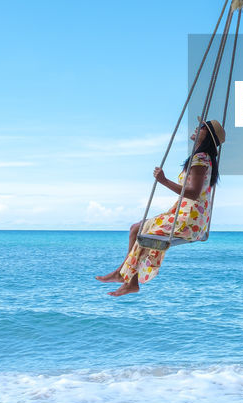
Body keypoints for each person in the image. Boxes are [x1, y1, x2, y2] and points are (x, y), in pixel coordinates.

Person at [95, 120, 224, 297]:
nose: (196, 127)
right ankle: (124, 276)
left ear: (207, 135)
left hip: (189, 220)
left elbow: (193, 193)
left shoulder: (200, 159)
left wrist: (164, 181)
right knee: (136, 228)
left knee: (142, 234)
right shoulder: (203, 158)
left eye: (201, 127)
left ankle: (128, 279)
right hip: (192, 217)